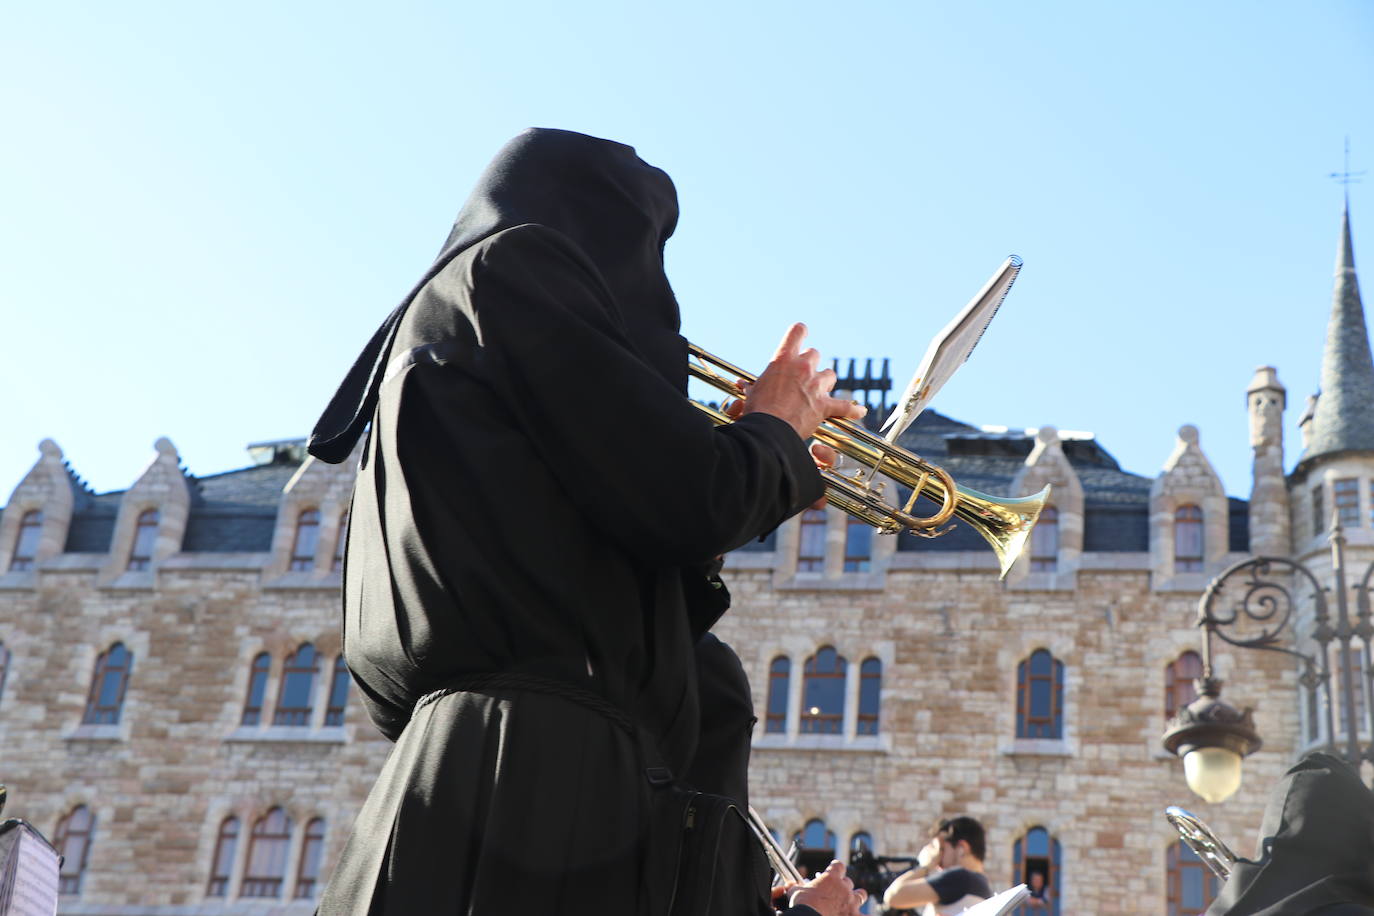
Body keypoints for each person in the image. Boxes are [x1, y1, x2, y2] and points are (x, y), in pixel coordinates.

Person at [307, 128, 866, 915]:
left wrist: (758, 455)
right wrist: (770, 437)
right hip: (543, 785)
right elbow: (688, 502)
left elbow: (612, 519)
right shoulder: (515, 265)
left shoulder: (435, 347)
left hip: (447, 788)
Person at [882, 817, 992, 916]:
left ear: (962, 848)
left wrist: (925, 866)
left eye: (941, 849)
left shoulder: (960, 877)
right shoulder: (984, 889)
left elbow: (893, 897)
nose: (937, 858)